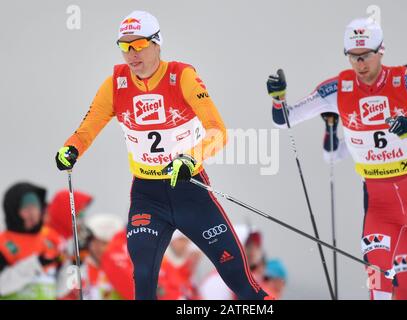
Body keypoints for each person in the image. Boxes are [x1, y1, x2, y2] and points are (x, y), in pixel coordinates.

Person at [55, 10, 270, 300]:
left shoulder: (182, 77)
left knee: (238, 278)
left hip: (189, 190)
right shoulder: (115, 85)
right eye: (124, 46)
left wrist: (191, 158)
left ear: (157, 43)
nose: (132, 54)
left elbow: (217, 131)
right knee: (143, 278)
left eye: (139, 45)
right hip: (148, 196)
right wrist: (71, 148)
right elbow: (86, 130)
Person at [266, 17, 407, 299]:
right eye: (353, 57)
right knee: (380, 283)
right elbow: (285, 120)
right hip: (380, 206)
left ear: (381, 51)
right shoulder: (336, 89)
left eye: (365, 56)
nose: (360, 65)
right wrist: (278, 98)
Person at [320, 65, 407, 300]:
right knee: (403, 289)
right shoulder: (383, 128)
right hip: (404, 219)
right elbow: (332, 156)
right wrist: (331, 128)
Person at [0, 182, 60, 299]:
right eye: (26, 208)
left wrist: (73, 265)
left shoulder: (49, 241)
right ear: (13, 210)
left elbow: (58, 290)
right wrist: (36, 264)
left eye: (35, 207)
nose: (32, 213)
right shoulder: (3, 243)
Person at [199, 225, 266, 300]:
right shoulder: (218, 281)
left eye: (256, 246)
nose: (253, 252)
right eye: (248, 246)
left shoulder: (248, 279)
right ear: (235, 246)